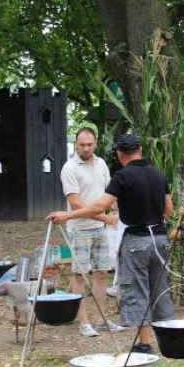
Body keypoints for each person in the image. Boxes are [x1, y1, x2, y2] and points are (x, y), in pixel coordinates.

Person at [49, 134, 174, 354]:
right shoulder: (159, 174)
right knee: (160, 288)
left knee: (137, 289)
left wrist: (67, 216)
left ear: (119, 154)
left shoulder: (122, 176)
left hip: (137, 241)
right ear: (141, 149)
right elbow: (169, 210)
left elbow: (99, 207)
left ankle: (145, 343)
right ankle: (169, 339)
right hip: (161, 240)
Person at [59, 127, 124, 337]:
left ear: (95, 144)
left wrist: (115, 209)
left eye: (89, 144)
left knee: (102, 273)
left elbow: (109, 193)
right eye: (82, 145)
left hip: (100, 229)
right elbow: (76, 204)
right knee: (79, 276)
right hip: (79, 229)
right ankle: (84, 322)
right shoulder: (69, 168)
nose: (86, 148)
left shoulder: (101, 164)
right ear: (75, 144)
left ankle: (103, 320)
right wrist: (104, 217)